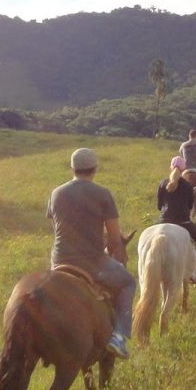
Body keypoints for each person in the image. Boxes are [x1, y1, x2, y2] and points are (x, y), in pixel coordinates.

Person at [47, 147, 137, 358]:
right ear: (94, 169)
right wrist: (115, 252)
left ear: (72, 168)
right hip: (93, 263)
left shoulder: (56, 193)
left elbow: (58, 228)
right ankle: (119, 337)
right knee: (128, 283)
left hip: (58, 260)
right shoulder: (103, 194)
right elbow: (115, 239)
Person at [156, 156, 196, 280]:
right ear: (184, 168)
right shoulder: (188, 186)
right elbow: (190, 206)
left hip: (163, 220)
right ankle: (195, 273)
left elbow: (159, 206)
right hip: (183, 222)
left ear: (170, 167)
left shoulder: (163, 183)